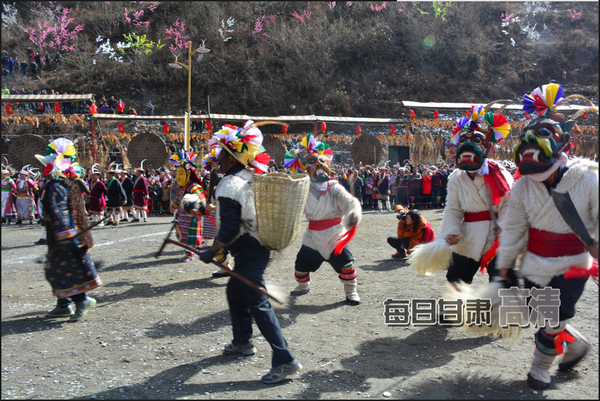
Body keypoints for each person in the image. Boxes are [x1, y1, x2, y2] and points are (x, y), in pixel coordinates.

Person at [496, 83, 598, 390]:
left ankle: (540, 368)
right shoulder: (522, 186)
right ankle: (576, 343)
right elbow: (513, 228)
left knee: (554, 317)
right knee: (544, 315)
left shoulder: (588, 176)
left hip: (573, 263)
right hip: (535, 263)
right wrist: (505, 262)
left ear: (563, 144)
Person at [195, 120, 302, 384]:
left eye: (221, 154)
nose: (217, 159)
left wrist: (213, 251)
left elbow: (230, 228)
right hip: (253, 249)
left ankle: (285, 360)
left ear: (231, 158)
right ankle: (243, 342)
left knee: (257, 303)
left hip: (250, 250)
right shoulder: (247, 178)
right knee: (235, 292)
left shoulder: (230, 184)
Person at [284, 133, 362, 305]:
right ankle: (303, 287)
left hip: (335, 234)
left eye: (319, 161)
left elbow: (350, 202)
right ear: (305, 167)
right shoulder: (302, 188)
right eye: (311, 162)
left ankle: (351, 292)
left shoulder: (334, 187)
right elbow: (292, 208)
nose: (317, 165)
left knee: (347, 264)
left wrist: (353, 214)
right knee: (301, 266)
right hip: (313, 236)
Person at [440, 103, 513, 284]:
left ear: (487, 147)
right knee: (455, 277)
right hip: (468, 235)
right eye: (463, 141)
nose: (467, 145)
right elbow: (453, 209)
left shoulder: (499, 172)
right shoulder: (456, 178)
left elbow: (508, 205)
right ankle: (454, 310)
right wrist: (451, 230)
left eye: (476, 141)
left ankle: (498, 310)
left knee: (501, 277)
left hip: (495, 235)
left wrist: (503, 227)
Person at [35, 138, 101, 321]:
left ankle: (82, 301)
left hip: (64, 238)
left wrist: (64, 239)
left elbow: (60, 214)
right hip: (63, 236)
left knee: (64, 271)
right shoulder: (64, 185)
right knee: (58, 270)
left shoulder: (55, 186)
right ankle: (63, 304)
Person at [168, 150, 215, 264]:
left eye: (181, 174)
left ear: (188, 174)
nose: (178, 177)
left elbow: (203, 202)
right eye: (177, 173)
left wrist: (197, 210)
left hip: (192, 216)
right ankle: (189, 251)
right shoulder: (180, 187)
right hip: (182, 215)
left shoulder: (195, 187)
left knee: (191, 235)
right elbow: (178, 200)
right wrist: (174, 206)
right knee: (183, 234)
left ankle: (190, 253)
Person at [105, 163, 127, 227]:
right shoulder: (108, 182)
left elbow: (121, 190)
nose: (107, 175)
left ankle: (116, 222)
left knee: (116, 211)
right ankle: (110, 220)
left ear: (111, 175)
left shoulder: (116, 182)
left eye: (108, 174)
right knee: (108, 210)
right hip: (110, 198)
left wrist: (124, 199)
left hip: (116, 198)